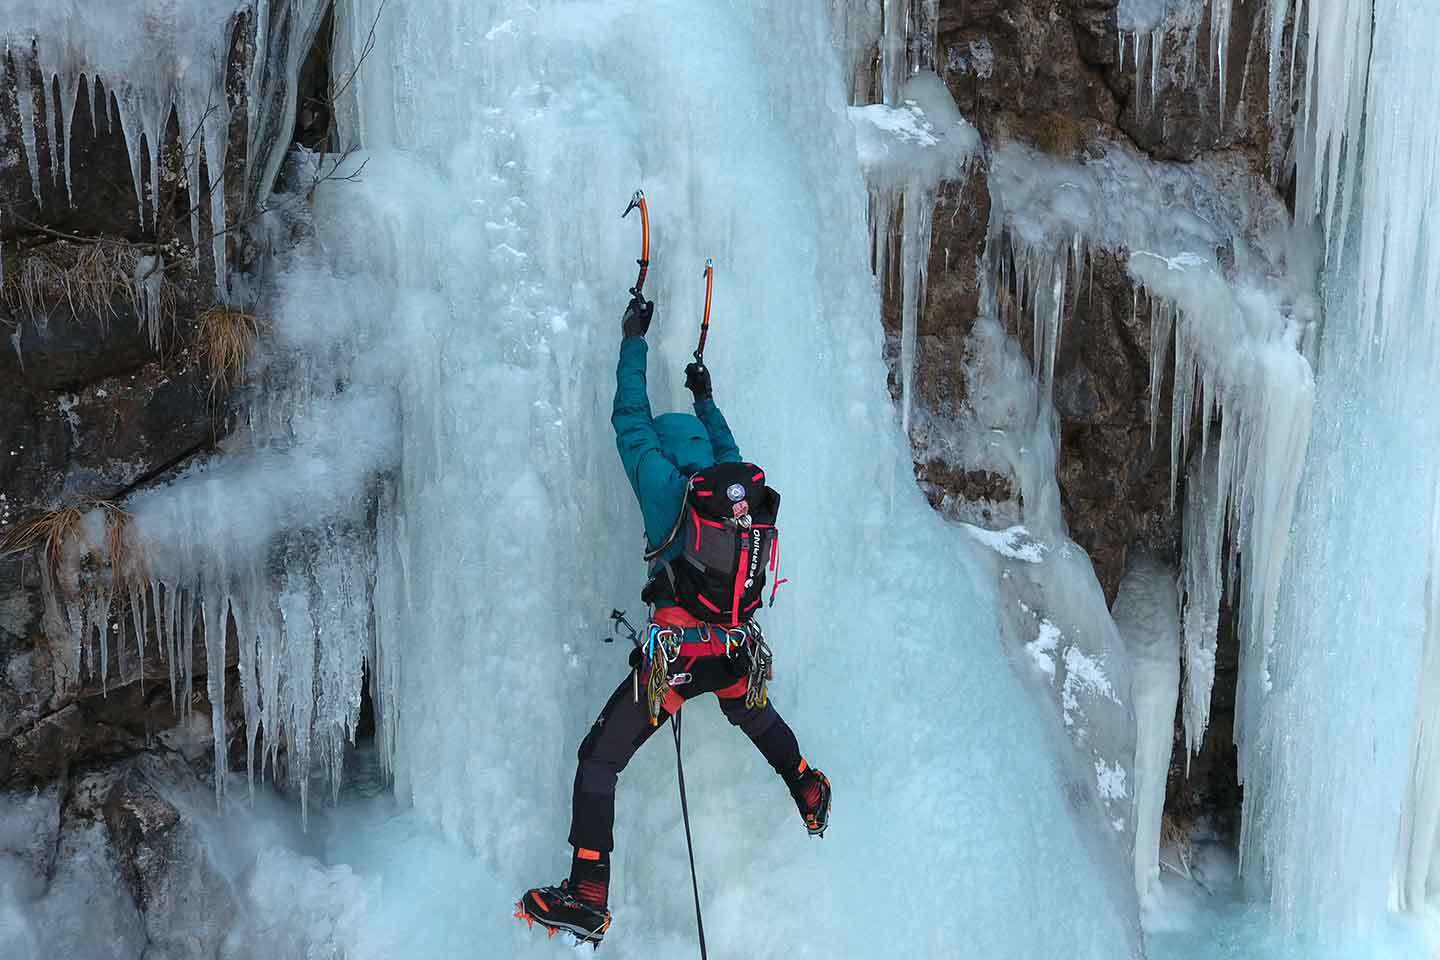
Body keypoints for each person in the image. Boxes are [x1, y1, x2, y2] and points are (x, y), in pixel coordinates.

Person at [515, 296, 831, 947]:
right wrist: (705, 395)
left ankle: (587, 894)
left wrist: (635, 339)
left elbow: (627, 416)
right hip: (740, 650)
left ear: (666, 450)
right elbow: (723, 441)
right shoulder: (735, 482)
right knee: (752, 713)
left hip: (678, 660)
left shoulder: (663, 485)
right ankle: (805, 784)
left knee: (599, 759)